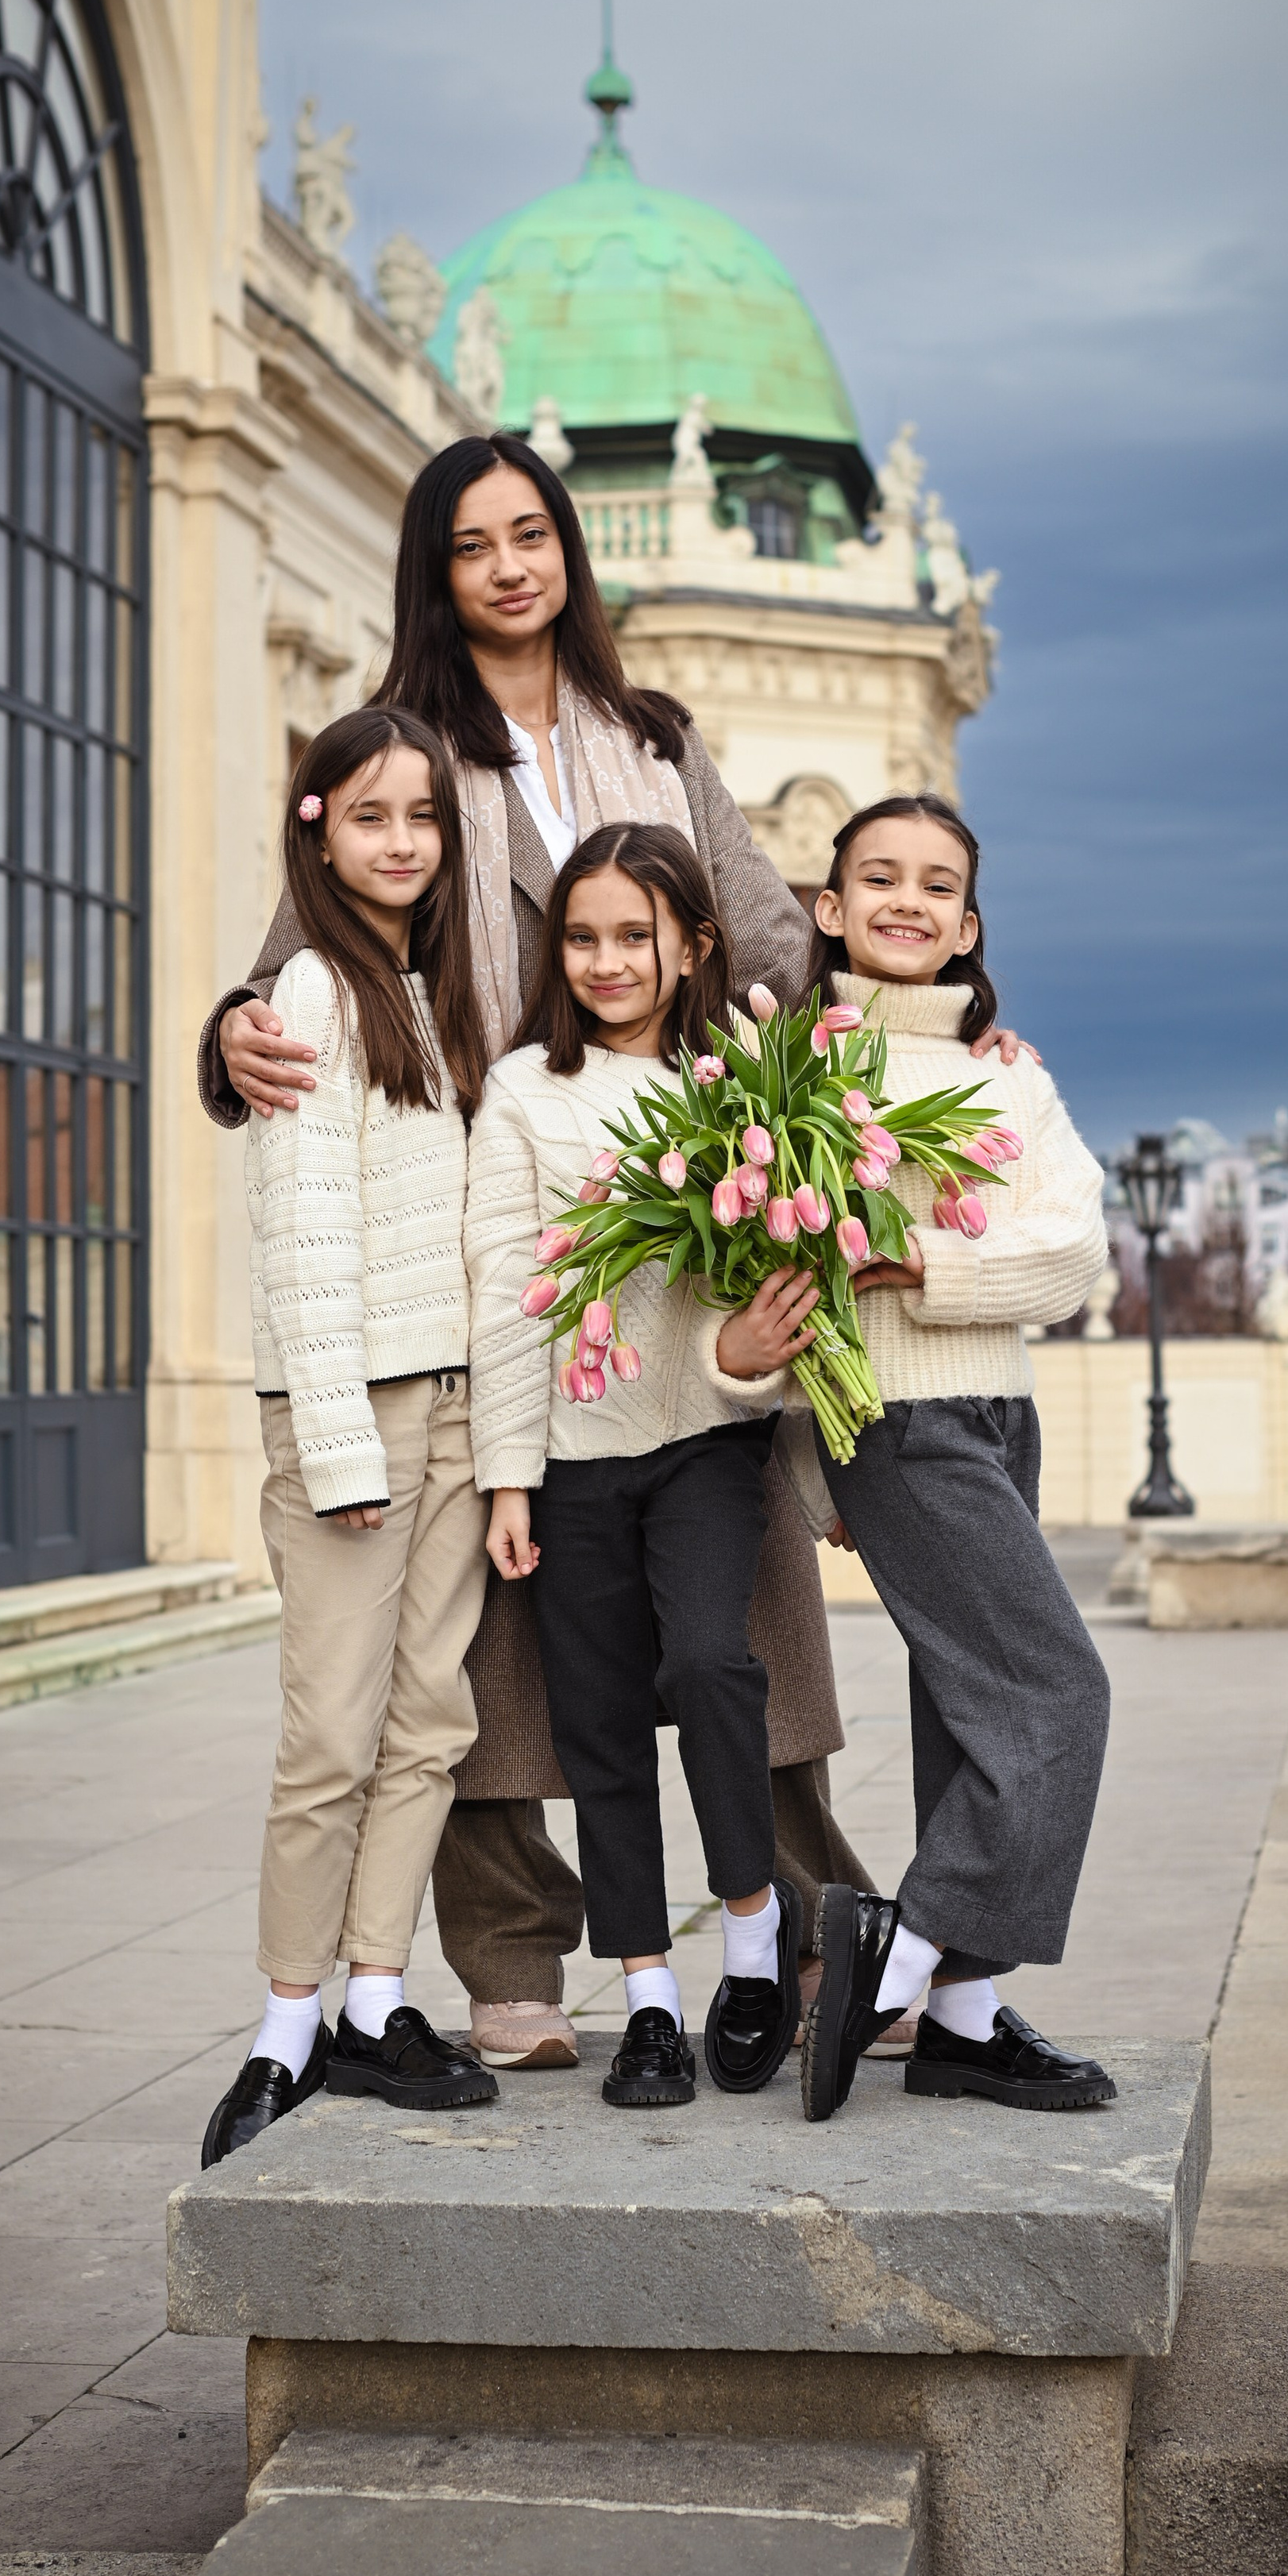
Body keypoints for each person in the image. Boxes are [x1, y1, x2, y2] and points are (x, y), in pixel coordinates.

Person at [197, 436, 962, 2065]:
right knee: (488, 1632)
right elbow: (297, 960)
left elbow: (769, 938)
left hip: (678, 1244)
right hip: (499, 1225)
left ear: (565, 552)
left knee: (733, 1619)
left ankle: (812, 1928)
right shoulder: (410, 748)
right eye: (469, 543)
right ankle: (512, 1958)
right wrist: (227, 1034)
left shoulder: (654, 740)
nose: (506, 565)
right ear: (437, 569)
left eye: (528, 533)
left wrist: (926, 1037)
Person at [787, 793, 1120, 2124]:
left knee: (973, 1713)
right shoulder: (794, 1076)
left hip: (999, 1415)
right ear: (830, 908)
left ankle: (967, 2026)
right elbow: (765, 1277)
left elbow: (1076, 1252)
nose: (908, 903)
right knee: (1059, 1695)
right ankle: (902, 1962)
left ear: (970, 925)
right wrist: (817, 1468)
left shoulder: (1008, 1076)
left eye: (937, 886)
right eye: (879, 879)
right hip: (895, 1418)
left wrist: (924, 1260)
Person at [467, 823, 811, 2107]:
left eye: (634, 935)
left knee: (712, 1667)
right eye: (582, 936)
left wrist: (737, 1358)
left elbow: (781, 1293)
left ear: (693, 946)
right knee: (598, 1727)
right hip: (569, 1461)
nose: (606, 960)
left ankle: (754, 1945)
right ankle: (649, 2003)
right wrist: (509, 1477)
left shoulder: (749, 1089)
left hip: (707, 1446)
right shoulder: (521, 1094)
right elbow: (506, 1295)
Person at [201, 707, 499, 2169]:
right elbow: (303, 1241)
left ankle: (379, 1999)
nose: (402, 842)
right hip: (355, 1413)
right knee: (329, 1732)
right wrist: (340, 1447)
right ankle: (284, 2024)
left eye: (424, 819)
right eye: (373, 815)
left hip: (451, 1405)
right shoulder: (310, 990)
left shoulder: (429, 993)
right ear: (316, 822)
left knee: (430, 1720)